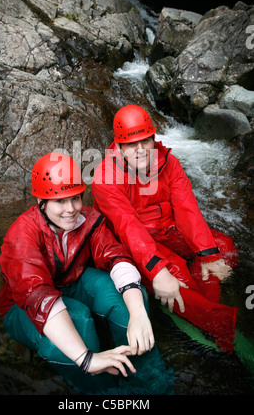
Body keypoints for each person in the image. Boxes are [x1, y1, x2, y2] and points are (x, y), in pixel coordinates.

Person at [0, 152, 173, 395]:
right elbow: (36, 296)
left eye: (76, 198)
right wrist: (88, 360)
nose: (71, 209)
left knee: (131, 297)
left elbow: (116, 257)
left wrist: (139, 313)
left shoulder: (89, 219)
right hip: (21, 307)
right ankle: (101, 391)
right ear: (41, 201)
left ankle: (153, 381)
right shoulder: (22, 234)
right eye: (60, 201)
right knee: (78, 318)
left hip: (70, 283)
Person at [91, 104, 239, 353]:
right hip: (135, 244)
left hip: (167, 230)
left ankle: (205, 303)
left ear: (153, 138)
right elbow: (128, 229)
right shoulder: (105, 177)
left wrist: (208, 256)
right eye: (130, 144)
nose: (140, 151)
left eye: (145, 141)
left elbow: (186, 208)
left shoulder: (169, 162)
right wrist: (157, 271)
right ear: (118, 145)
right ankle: (220, 325)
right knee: (177, 275)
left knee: (224, 248)